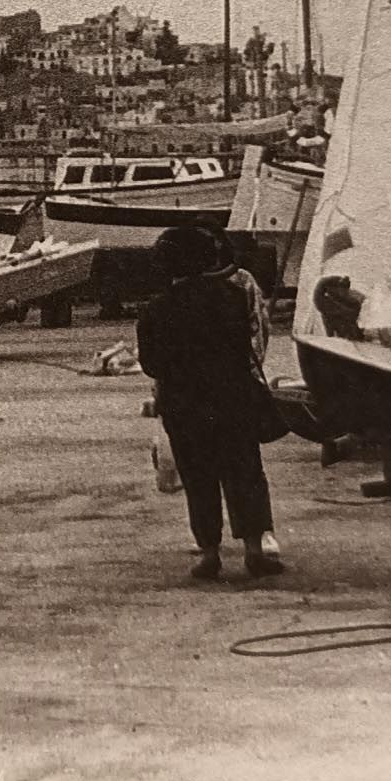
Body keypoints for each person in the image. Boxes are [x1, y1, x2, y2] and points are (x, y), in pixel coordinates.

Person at [136, 226, 282, 582]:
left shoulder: (156, 309)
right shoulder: (231, 298)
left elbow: (151, 364)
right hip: (232, 399)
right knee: (245, 473)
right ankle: (253, 550)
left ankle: (210, 554)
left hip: (184, 406)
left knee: (199, 478)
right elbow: (246, 347)